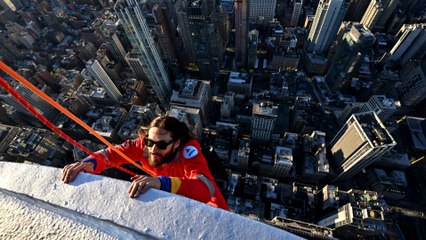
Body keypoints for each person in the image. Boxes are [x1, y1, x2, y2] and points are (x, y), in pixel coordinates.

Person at [61, 116, 229, 210]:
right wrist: (89, 163)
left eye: (162, 144)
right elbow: (110, 154)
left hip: (211, 208)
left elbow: (205, 189)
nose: (153, 149)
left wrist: (160, 182)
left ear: (176, 143)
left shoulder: (188, 151)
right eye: (150, 142)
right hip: (173, 200)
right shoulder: (142, 145)